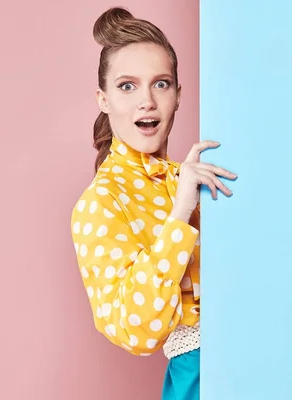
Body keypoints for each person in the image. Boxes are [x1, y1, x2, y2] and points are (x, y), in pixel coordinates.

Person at [70, 7, 237, 400]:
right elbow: (138, 328)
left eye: (161, 84)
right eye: (127, 86)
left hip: (264, 359)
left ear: (178, 96)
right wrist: (180, 215)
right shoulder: (100, 203)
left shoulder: (198, 176)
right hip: (198, 376)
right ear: (103, 99)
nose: (146, 100)